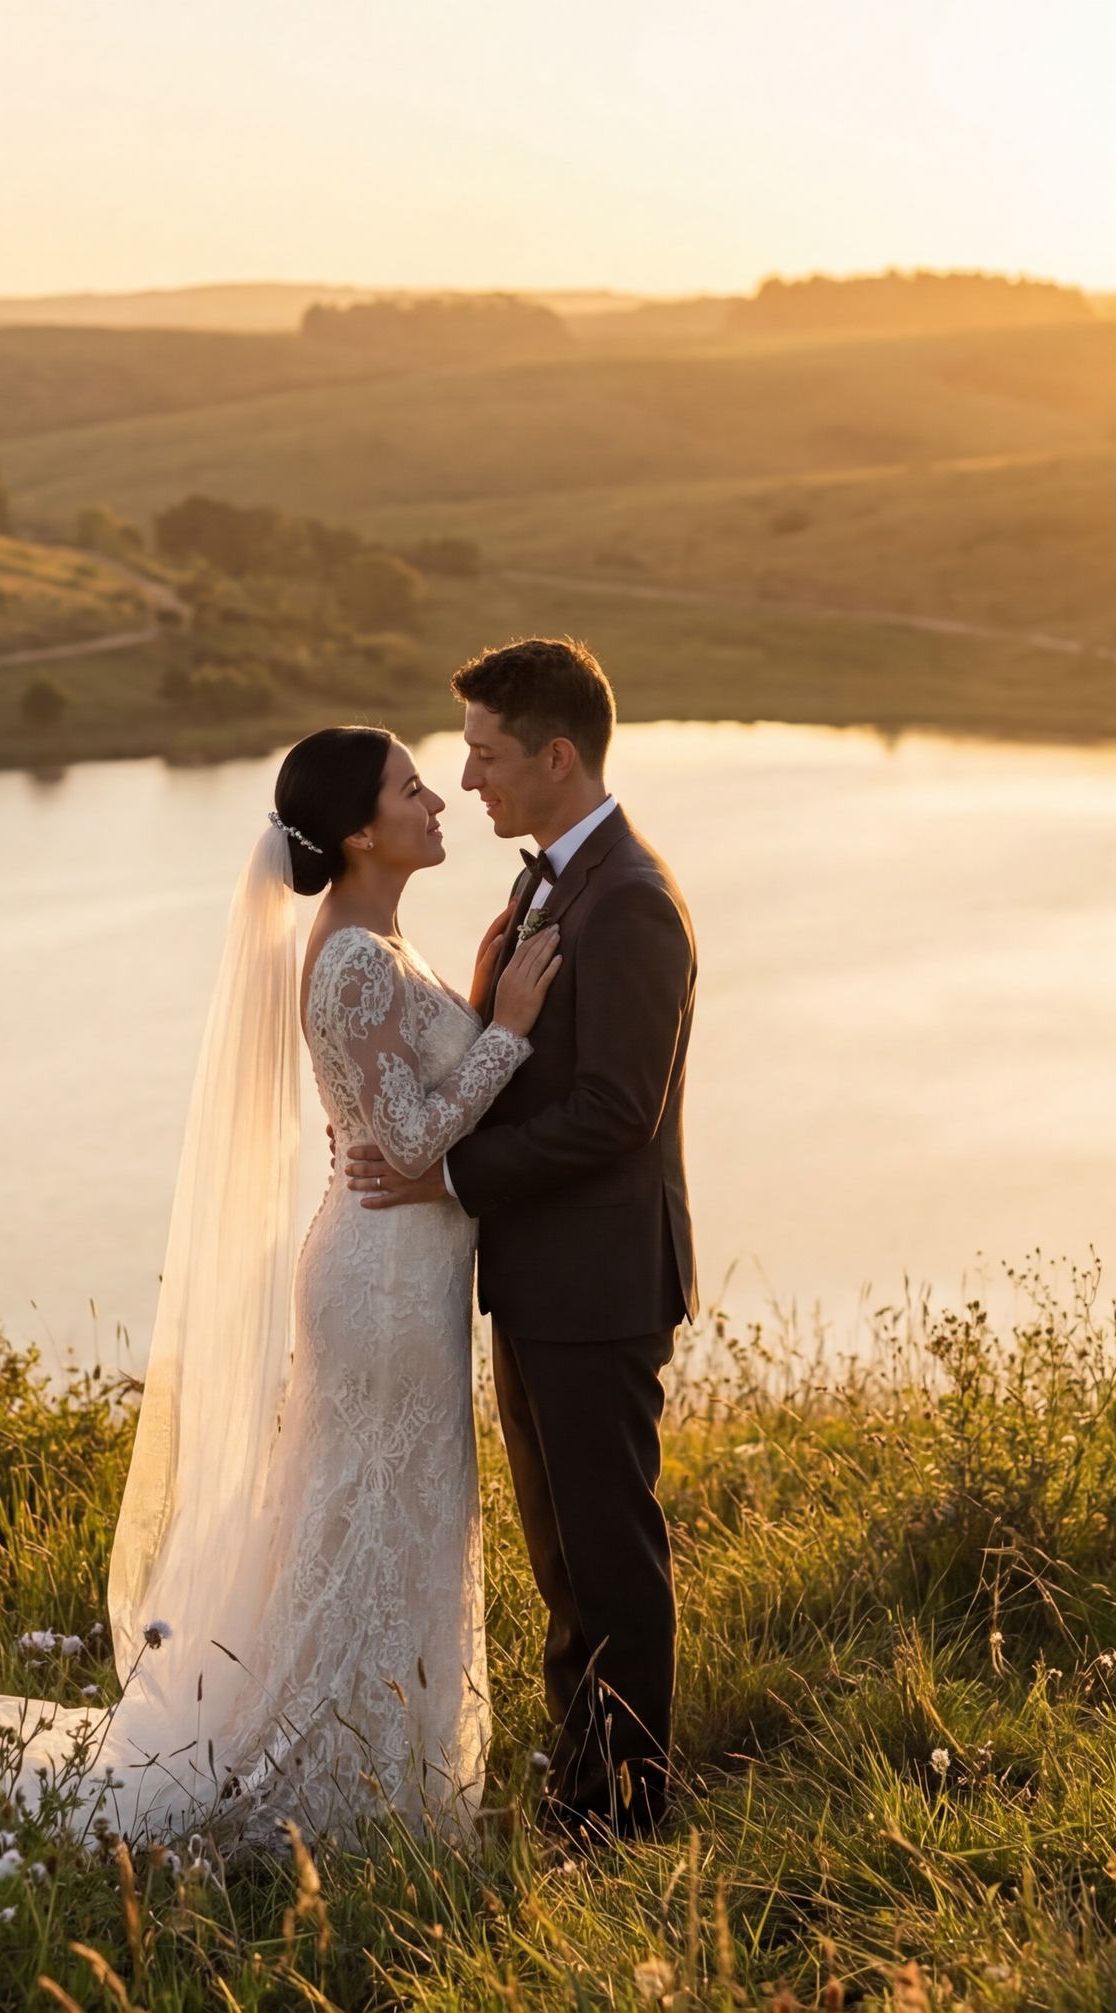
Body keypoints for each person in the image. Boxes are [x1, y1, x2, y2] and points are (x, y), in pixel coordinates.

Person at [0, 726, 562, 1845]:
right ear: (357, 831)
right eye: (411, 788)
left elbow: (397, 1115)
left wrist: (474, 1004)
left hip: (406, 1275)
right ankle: (335, 1793)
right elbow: (412, 1141)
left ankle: (393, 1783)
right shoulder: (350, 959)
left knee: (392, 1529)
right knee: (374, 1529)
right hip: (380, 1284)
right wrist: (508, 1032)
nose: (438, 801)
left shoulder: (383, 944)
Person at [348, 636, 698, 1839]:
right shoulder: (549, 883)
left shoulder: (632, 902)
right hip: (543, 1279)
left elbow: (617, 1111)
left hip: (600, 1283)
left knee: (609, 1557)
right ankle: (578, 1790)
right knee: (562, 1559)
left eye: (486, 755)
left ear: (557, 757)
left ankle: (628, 1815)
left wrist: (446, 1173)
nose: (467, 779)